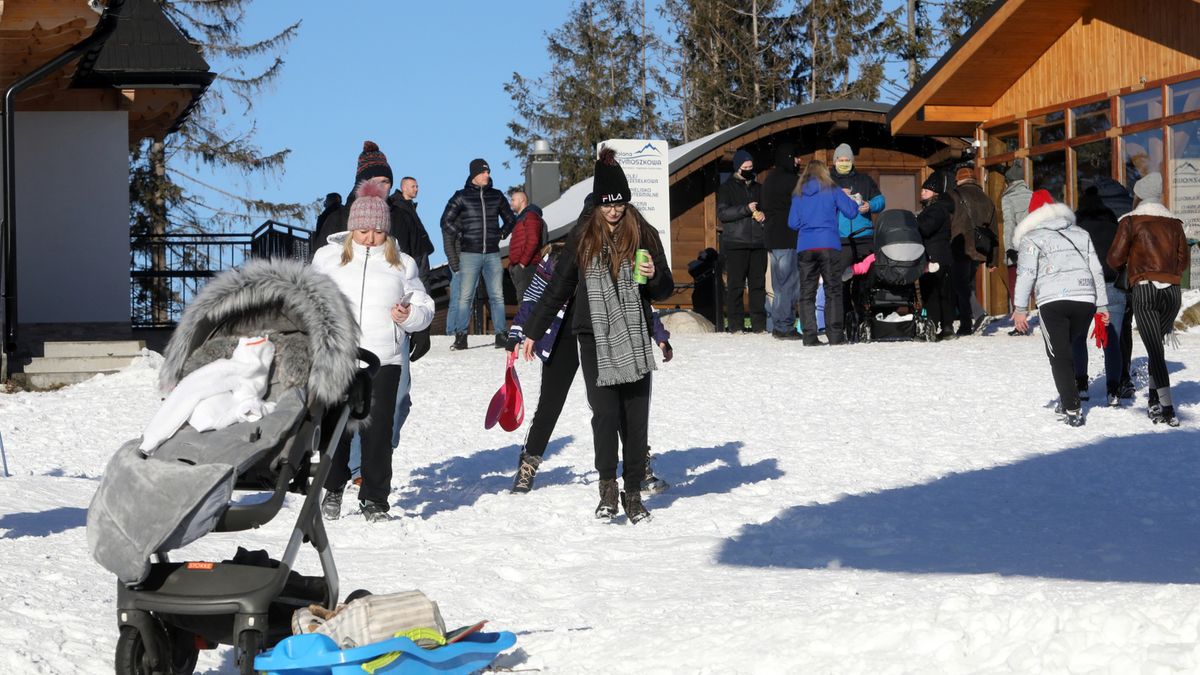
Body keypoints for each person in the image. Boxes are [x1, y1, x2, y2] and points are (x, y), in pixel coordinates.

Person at [521, 146, 673, 524]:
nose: (613, 211)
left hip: (634, 333)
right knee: (605, 414)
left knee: (636, 418)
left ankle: (633, 493)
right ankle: (608, 486)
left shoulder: (643, 232)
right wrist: (531, 332)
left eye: (619, 203)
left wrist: (654, 277)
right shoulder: (583, 236)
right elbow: (558, 287)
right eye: (607, 204)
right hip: (593, 335)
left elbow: (664, 289)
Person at [506, 241, 672, 495]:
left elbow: (637, 301)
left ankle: (638, 468)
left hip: (600, 337)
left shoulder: (616, 255)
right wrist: (518, 333)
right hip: (561, 337)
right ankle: (529, 463)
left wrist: (658, 333)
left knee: (615, 405)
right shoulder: (558, 258)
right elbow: (534, 297)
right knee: (550, 404)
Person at [312, 180, 434, 521]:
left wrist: (409, 315)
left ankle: (375, 499)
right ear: (352, 229)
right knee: (336, 425)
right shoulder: (327, 259)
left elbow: (424, 307)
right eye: (363, 230)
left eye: (377, 231)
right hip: (338, 355)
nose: (369, 237)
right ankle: (333, 488)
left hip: (384, 359)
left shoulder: (402, 264)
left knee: (377, 431)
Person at [1011, 190, 1108, 427]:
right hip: (1085, 299)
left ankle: (1072, 407)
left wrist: (1020, 308)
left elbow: (1026, 274)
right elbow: (1096, 268)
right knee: (1070, 347)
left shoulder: (1032, 238)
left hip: (1053, 300)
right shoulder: (1080, 233)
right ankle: (1069, 397)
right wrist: (1102, 304)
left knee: (1058, 355)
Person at [1107, 172, 1190, 427]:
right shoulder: (1174, 223)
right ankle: (1155, 400)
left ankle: (1166, 408)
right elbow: (1183, 262)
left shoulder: (1131, 222)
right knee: (1157, 349)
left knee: (1155, 351)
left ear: (1140, 195)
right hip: (1172, 292)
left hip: (1144, 289)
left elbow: (1114, 259)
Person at [440, 158, 516, 350]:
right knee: (465, 296)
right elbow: (445, 221)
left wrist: (501, 233)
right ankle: (461, 336)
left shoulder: (496, 196)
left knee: (497, 295)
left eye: (488, 172)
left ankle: (501, 334)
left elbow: (510, 219)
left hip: (492, 253)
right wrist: (461, 235)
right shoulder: (461, 196)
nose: (487, 175)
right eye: (483, 172)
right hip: (469, 254)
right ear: (474, 174)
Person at [788, 159, 860, 346]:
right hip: (829, 244)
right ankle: (835, 335)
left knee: (807, 292)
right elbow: (852, 212)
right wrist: (852, 200)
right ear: (824, 173)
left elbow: (793, 223)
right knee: (833, 290)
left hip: (805, 246)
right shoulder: (832, 189)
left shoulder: (798, 194)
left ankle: (809, 336)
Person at [1071, 187, 1127, 407]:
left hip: (1084, 287)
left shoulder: (1077, 230)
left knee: (1078, 337)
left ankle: (1081, 385)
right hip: (1113, 285)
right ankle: (1113, 389)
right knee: (1112, 340)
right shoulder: (1115, 226)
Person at [831, 143, 885, 321]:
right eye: (841, 160)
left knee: (866, 280)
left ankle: (865, 316)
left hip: (864, 237)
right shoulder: (827, 181)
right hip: (840, 238)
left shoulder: (865, 180)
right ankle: (846, 317)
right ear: (835, 161)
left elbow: (881, 200)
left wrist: (871, 205)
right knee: (842, 281)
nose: (844, 163)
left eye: (847, 160)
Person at [717, 149, 767, 333]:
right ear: (737, 168)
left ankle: (759, 325)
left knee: (758, 286)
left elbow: (769, 210)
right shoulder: (726, 188)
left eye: (751, 167)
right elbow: (723, 214)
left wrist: (764, 215)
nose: (748, 169)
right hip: (736, 243)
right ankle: (736, 325)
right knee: (736, 285)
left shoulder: (759, 188)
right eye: (745, 167)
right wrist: (745, 209)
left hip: (758, 243)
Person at [949, 166, 998, 336]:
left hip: (960, 246)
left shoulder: (953, 196)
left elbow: (947, 221)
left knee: (959, 284)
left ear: (958, 180)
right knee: (965, 284)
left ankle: (973, 317)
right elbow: (993, 230)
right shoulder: (986, 199)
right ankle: (967, 322)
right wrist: (992, 259)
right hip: (979, 248)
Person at [762, 142, 802, 339]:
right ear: (788, 158)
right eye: (796, 157)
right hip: (788, 237)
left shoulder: (769, 180)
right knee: (789, 284)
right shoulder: (792, 181)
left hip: (772, 239)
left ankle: (779, 324)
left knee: (778, 285)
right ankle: (785, 325)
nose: (799, 161)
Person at [916, 170, 957, 341]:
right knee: (943, 293)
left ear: (935, 192)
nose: (922, 192)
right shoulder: (939, 208)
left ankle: (932, 326)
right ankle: (946, 327)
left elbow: (926, 228)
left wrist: (914, 221)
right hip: (942, 255)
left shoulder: (936, 209)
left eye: (926, 190)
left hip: (935, 257)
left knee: (932, 292)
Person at [1000, 162, 1033, 335]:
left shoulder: (1008, 198)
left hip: (1018, 248)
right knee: (1036, 283)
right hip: (1035, 247)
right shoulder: (1032, 195)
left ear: (1008, 181)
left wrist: (1009, 249)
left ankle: (1020, 325)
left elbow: (1009, 225)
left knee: (1016, 285)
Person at [507, 189, 547, 301]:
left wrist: (522, 263)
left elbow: (533, 240)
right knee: (524, 301)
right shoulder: (521, 218)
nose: (511, 203)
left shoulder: (531, 216)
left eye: (513, 200)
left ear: (522, 200)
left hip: (528, 267)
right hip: (520, 267)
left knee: (527, 302)